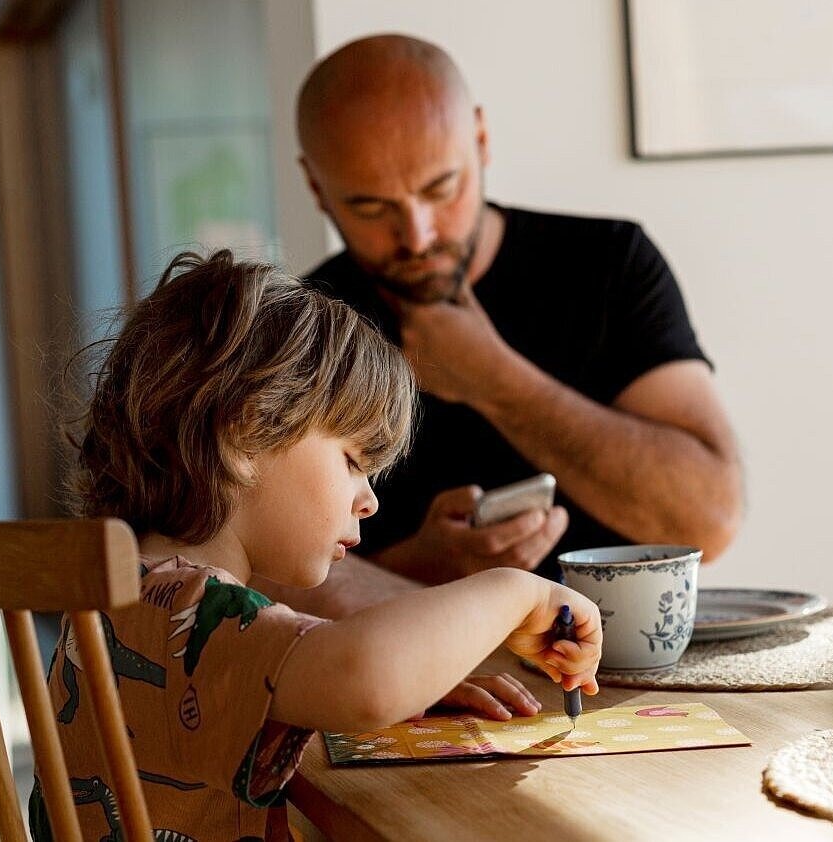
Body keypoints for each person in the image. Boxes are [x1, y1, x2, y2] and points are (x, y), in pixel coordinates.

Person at [37, 251, 602, 842]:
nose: (369, 502)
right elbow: (366, 677)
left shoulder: (127, 589)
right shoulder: (187, 610)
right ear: (245, 431)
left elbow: (349, 681)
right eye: (353, 461)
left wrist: (412, 680)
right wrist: (516, 590)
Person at [262, 34, 744, 617]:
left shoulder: (610, 263)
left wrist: (495, 380)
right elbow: (258, 579)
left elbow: (710, 519)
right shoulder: (300, 328)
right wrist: (424, 569)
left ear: (482, 141)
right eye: (371, 208)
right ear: (316, 187)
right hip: (419, 689)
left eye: (442, 188)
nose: (417, 235)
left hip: (627, 676)